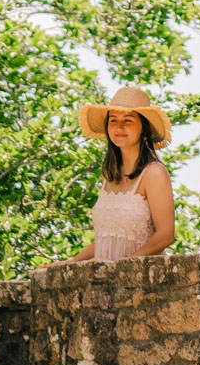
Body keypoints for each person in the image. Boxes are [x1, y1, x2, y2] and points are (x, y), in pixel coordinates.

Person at [65, 84, 176, 262]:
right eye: (113, 120)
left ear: (143, 127)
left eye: (128, 121)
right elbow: (106, 239)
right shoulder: (109, 175)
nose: (119, 127)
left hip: (137, 278)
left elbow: (166, 235)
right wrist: (70, 263)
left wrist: (120, 267)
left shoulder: (154, 173)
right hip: (102, 280)